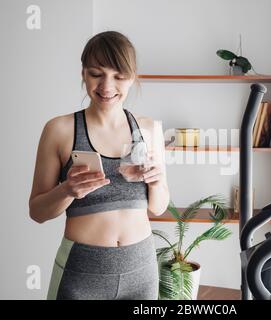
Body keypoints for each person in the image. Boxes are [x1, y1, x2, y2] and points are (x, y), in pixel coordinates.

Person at [28, 31, 170, 300]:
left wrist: (157, 180)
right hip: (81, 273)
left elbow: (158, 206)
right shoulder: (60, 130)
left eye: (119, 76)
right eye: (96, 73)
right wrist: (67, 190)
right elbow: (37, 211)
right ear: (83, 73)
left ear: (132, 77)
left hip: (141, 271)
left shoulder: (148, 129)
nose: (107, 86)